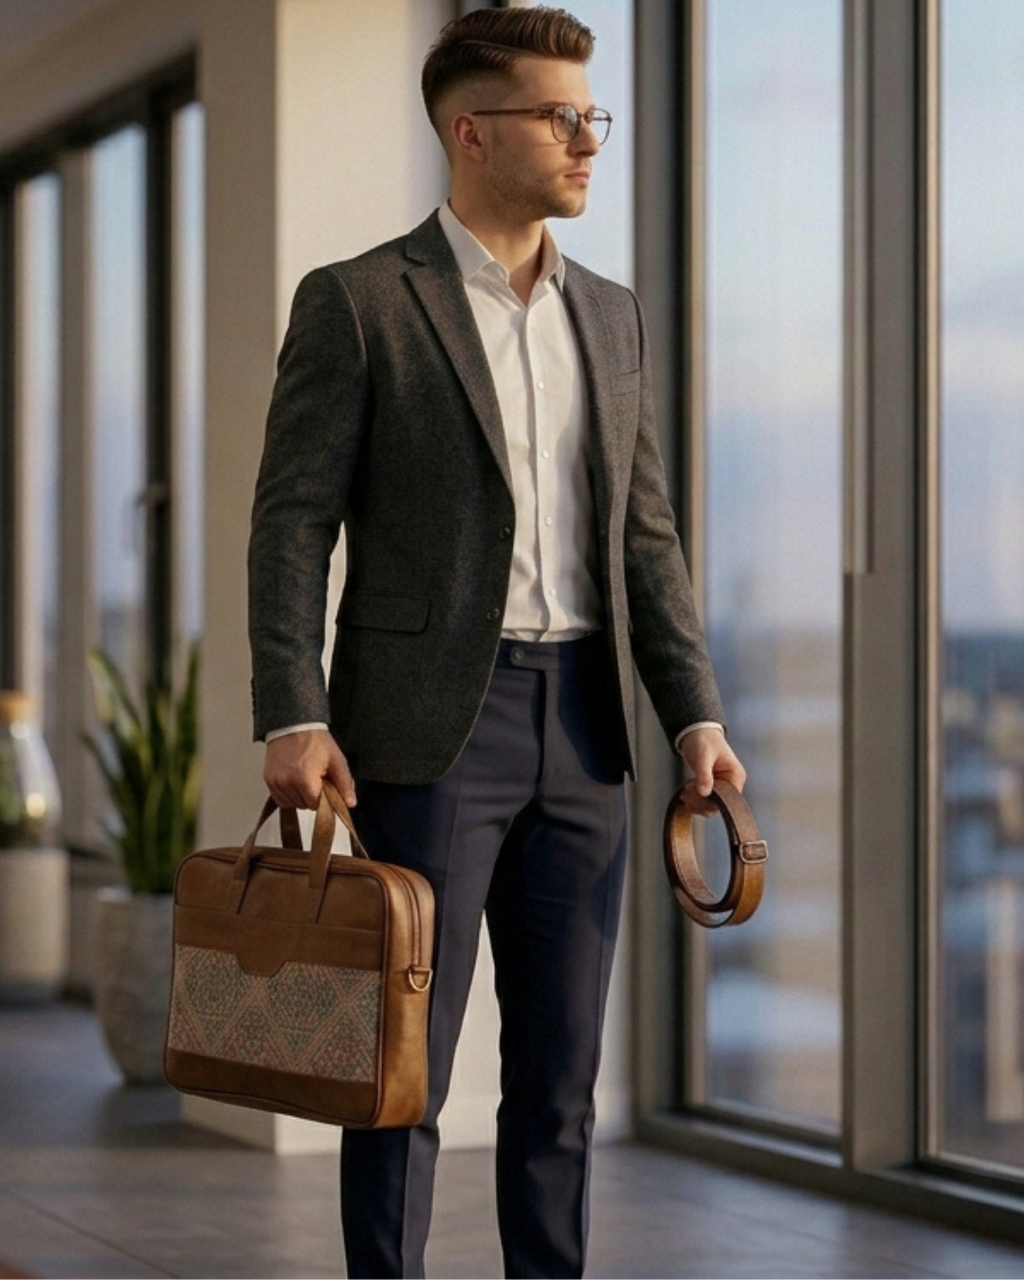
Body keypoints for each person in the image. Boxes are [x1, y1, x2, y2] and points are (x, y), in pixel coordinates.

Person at [248, 6, 745, 1276]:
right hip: (420, 734)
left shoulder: (616, 316)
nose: (588, 141)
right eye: (559, 116)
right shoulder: (360, 301)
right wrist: (291, 711)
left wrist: (693, 713)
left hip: (586, 728)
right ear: (472, 133)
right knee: (399, 1076)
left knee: (561, 1087)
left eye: (595, 116)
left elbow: (647, 537)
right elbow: (293, 520)